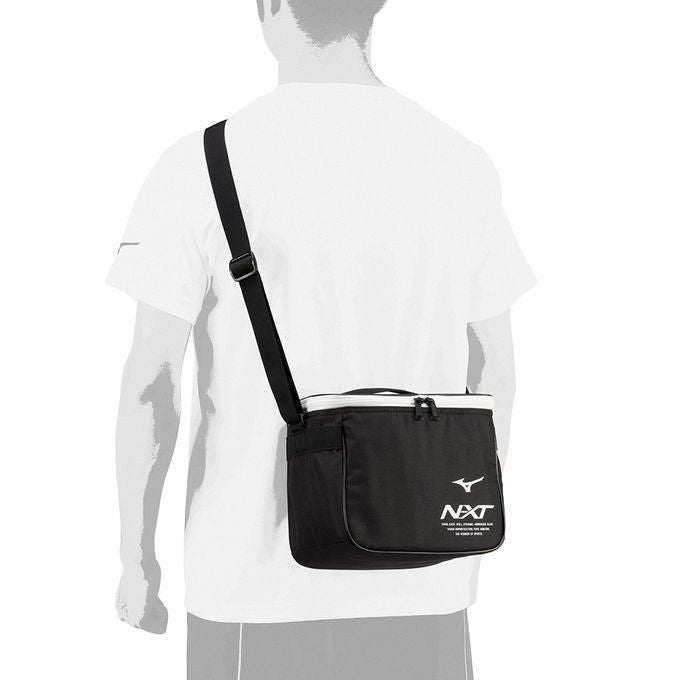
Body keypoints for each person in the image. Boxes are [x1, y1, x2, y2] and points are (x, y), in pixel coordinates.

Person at [107, 1, 536, 678]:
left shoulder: (200, 166)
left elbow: (151, 387)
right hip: (423, 582)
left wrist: (137, 560)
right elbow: (495, 373)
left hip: (253, 586)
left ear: (270, 5)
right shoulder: (461, 164)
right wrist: (455, 521)